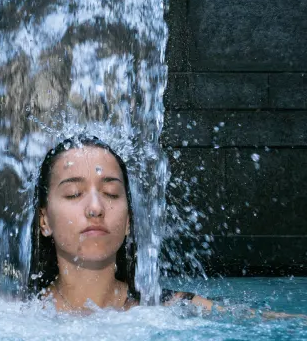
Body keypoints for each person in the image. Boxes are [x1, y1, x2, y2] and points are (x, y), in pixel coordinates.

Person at [28, 134, 213, 313]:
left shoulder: (185, 309)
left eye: (111, 193)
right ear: (44, 221)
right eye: (74, 193)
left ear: (128, 221)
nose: (95, 208)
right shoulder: (16, 314)